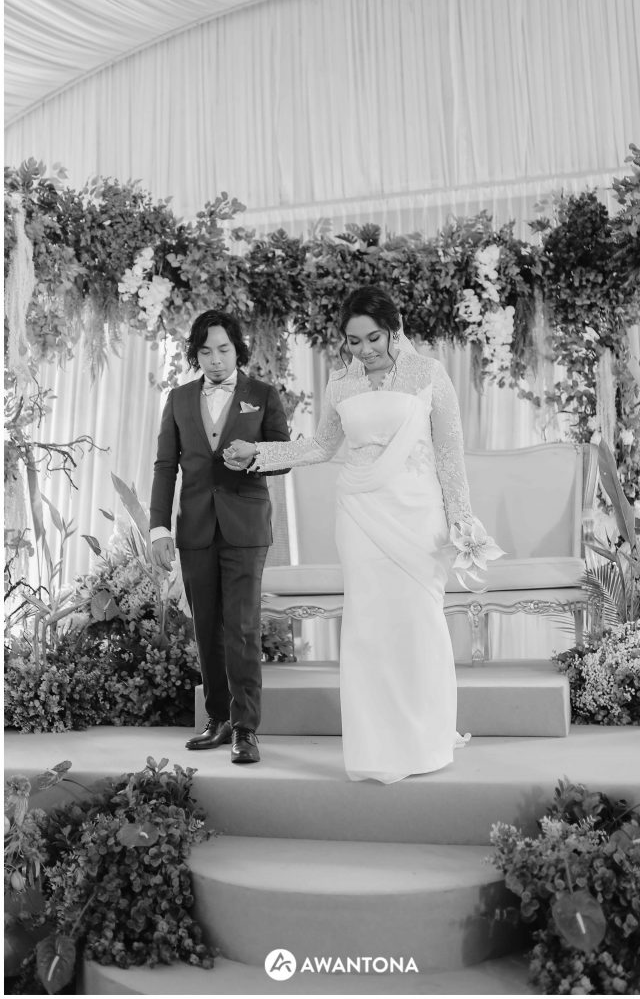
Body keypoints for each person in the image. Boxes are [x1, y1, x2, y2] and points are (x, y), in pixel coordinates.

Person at [225, 286, 496, 784]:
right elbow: (320, 447)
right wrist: (259, 453)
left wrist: (462, 521)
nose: (365, 349)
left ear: (394, 330)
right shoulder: (341, 383)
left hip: (417, 517)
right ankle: (376, 748)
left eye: (373, 338)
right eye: (354, 341)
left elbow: (449, 453)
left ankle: (425, 740)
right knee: (368, 628)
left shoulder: (428, 374)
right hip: (359, 515)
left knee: (418, 623)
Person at [150, 309, 290, 765]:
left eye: (223, 349)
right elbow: (165, 467)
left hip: (245, 527)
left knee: (243, 627)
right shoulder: (178, 399)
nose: (215, 359)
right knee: (206, 627)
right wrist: (158, 527)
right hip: (195, 528)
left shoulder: (262, 395)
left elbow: (285, 455)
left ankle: (246, 728)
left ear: (237, 349)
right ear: (196, 354)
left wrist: (255, 454)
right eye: (206, 351)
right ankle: (219, 719)